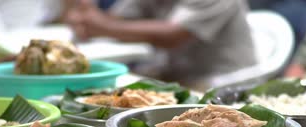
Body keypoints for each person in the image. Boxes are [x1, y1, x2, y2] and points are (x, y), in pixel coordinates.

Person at [65, 0, 256, 91]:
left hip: (221, 81)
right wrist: (87, 15)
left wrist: (101, 26)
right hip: (174, 74)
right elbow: (116, 22)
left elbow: (173, 35)